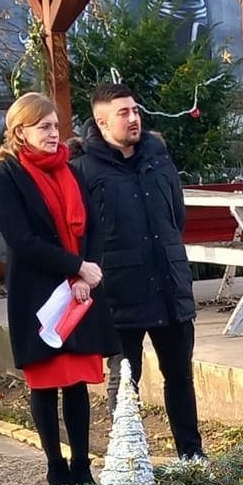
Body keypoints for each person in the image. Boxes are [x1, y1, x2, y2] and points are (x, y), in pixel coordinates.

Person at [0, 92, 109, 485]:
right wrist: (76, 267)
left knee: (76, 384)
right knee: (46, 381)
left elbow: (93, 227)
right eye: (44, 127)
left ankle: (82, 466)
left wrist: (86, 274)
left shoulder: (74, 172)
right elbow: (21, 239)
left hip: (80, 292)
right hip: (38, 294)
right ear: (20, 131)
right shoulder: (1, 177)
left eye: (56, 126)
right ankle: (56, 466)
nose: (54, 133)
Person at [76, 82, 205, 461]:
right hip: (120, 293)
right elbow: (85, 233)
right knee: (124, 383)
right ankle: (126, 461)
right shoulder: (85, 169)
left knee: (179, 377)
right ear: (101, 122)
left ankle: (192, 456)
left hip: (169, 287)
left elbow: (175, 216)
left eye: (135, 110)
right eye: (123, 113)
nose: (134, 118)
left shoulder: (157, 156)